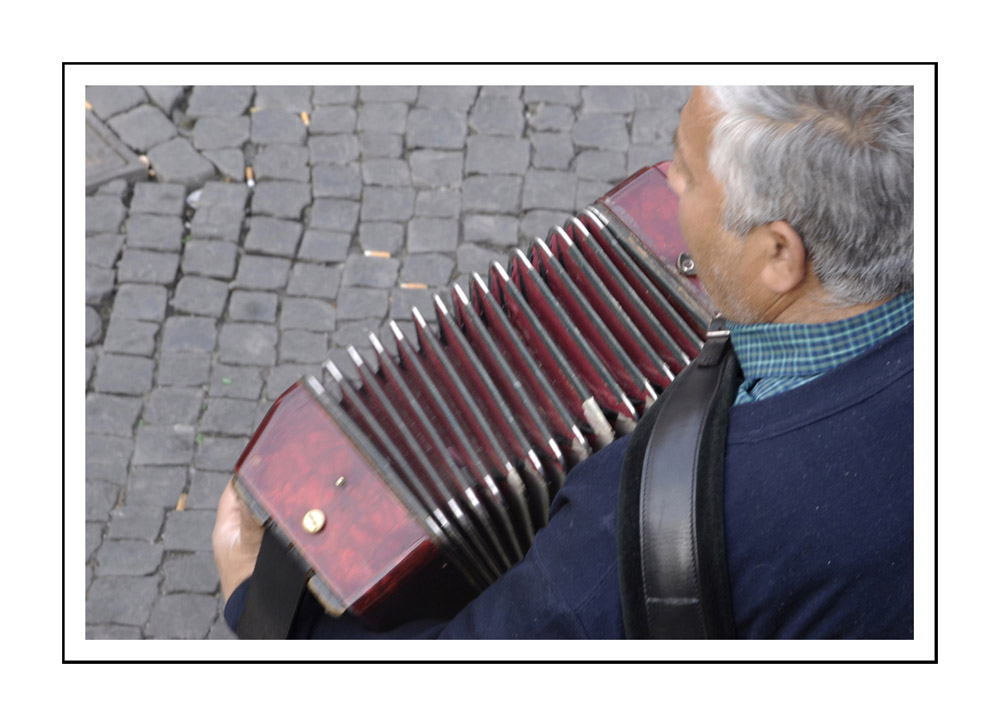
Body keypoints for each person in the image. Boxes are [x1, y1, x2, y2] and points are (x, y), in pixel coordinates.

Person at [213, 85, 914, 639]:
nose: (667, 179)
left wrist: (264, 600)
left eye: (691, 175)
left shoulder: (651, 531)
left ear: (779, 255)